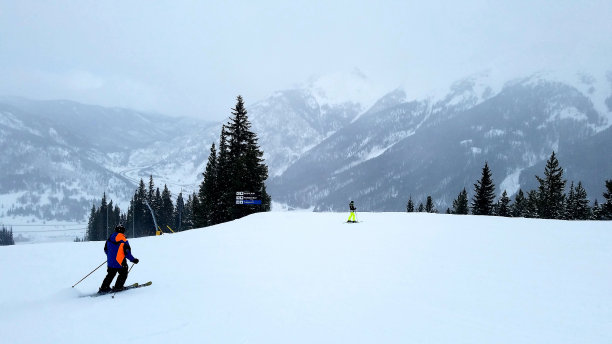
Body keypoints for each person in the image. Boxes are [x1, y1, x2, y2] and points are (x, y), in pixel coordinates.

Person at [99, 224, 139, 293]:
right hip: (120, 261)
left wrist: (111, 256)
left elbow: (106, 250)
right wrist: (133, 260)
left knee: (110, 274)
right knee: (123, 273)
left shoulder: (109, 238)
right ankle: (118, 287)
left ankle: (104, 288)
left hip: (110, 262)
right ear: (123, 231)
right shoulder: (124, 240)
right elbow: (127, 253)